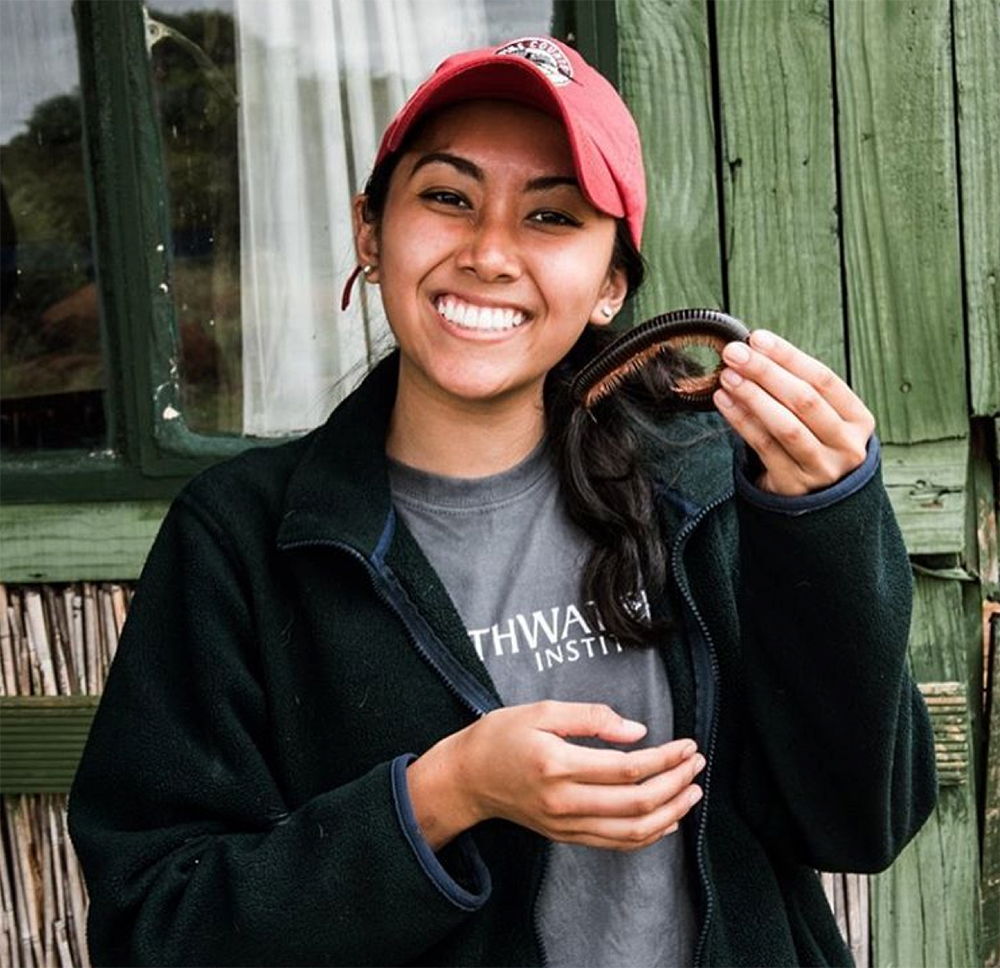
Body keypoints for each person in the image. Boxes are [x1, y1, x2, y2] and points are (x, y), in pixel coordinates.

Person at [68, 35, 937, 968]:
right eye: (448, 198)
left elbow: (860, 824)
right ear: (370, 232)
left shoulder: (706, 490)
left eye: (551, 216)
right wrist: (446, 795)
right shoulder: (240, 538)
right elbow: (156, 925)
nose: (488, 253)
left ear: (609, 286)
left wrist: (826, 523)